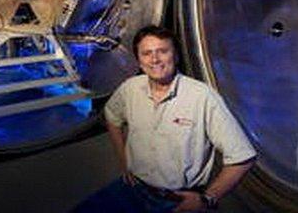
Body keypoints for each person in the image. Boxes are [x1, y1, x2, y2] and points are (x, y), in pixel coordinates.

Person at [73, 25, 256, 212]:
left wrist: (207, 198)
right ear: (139, 60)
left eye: (162, 51)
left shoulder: (202, 97)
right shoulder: (130, 88)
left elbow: (242, 157)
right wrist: (124, 160)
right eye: (147, 53)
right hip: (134, 187)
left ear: (175, 56)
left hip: (176, 199)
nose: (155, 59)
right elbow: (112, 116)